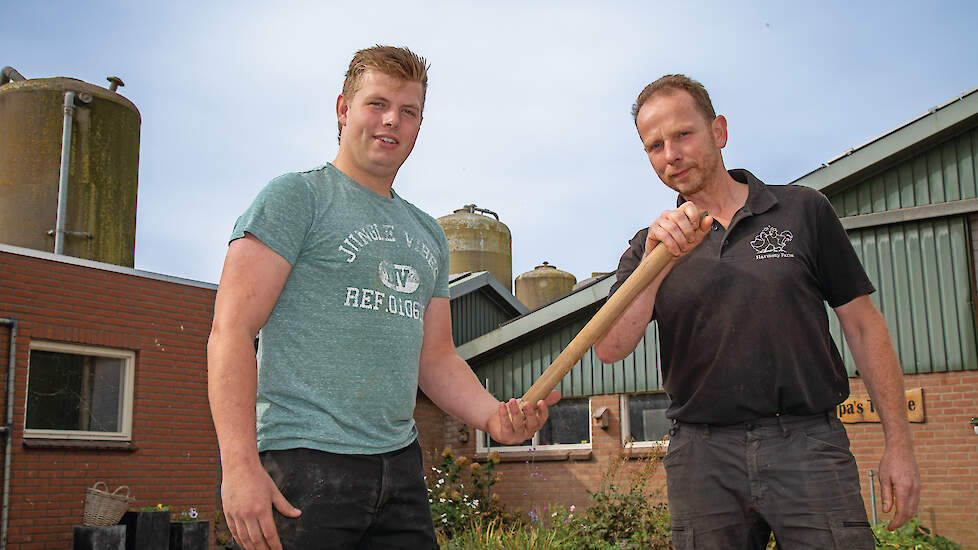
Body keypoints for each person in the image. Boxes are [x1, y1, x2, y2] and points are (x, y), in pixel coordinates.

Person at [207, 45, 559, 550]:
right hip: (302, 464)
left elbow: (436, 358)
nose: (392, 120)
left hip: (399, 470)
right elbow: (230, 333)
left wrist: (491, 418)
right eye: (377, 104)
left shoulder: (427, 233)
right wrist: (239, 467)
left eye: (409, 111)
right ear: (343, 109)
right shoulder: (296, 198)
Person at [594, 74, 920, 549]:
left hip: (807, 444)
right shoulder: (649, 247)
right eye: (654, 145)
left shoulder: (802, 211)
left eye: (683, 134)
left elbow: (864, 326)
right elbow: (609, 347)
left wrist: (900, 445)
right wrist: (656, 263)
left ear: (719, 131)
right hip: (702, 457)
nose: (670, 154)